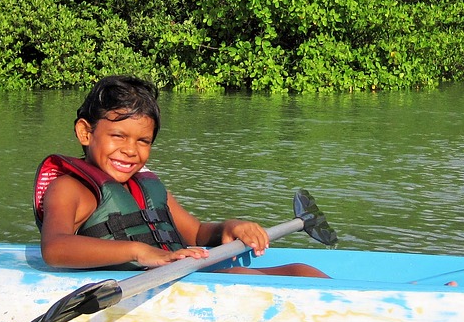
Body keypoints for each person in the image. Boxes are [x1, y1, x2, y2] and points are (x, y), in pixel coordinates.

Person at [34, 75, 329, 278]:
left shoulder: (146, 185)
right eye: (118, 136)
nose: (130, 151)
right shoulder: (69, 188)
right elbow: (55, 248)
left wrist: (230, 227)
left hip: (183, 277)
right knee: (241, 274)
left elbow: (197, 233)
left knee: (301, 270)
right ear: (86, 132)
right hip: (142, 286)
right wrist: (140, 252)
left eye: (143, 141)